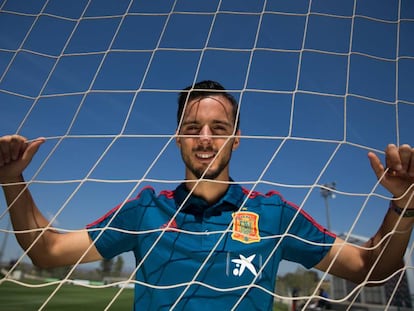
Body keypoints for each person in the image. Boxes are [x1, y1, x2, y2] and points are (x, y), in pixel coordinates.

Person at [0, 80, 413, 310]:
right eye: (193, 127)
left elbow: (371, 269)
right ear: (177, 138)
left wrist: (404, 204)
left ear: (236, 139)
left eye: (219, 128)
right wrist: (11, 179)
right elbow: (46, 251)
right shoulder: (147, 209)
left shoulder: (272, 212)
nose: (204, 138)